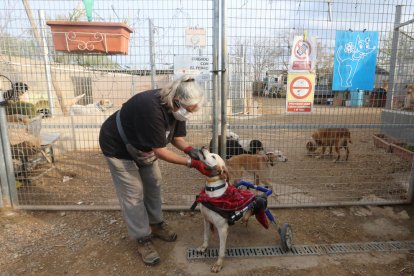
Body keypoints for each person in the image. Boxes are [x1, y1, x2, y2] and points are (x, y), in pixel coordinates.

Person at [99, 75, 215, 265]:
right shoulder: (150, 109)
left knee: (154, 182)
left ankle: (156, 223)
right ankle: (142, 238)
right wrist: (191, 163)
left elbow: (176, 138)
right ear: (177, 101)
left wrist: (190, 150)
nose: (189, 114)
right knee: (133, 194)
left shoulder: (178, 110)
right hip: (117, 145)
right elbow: (161, 151)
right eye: (189, 110)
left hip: (142, 145)